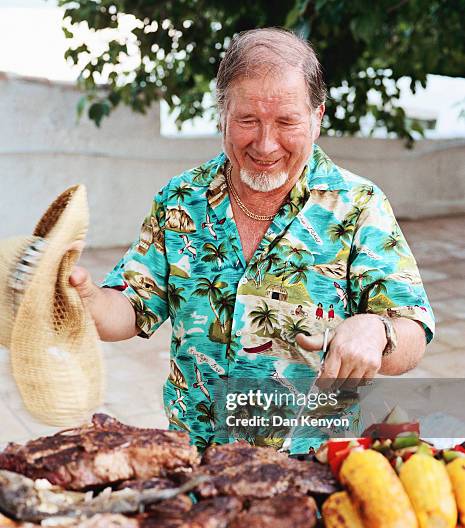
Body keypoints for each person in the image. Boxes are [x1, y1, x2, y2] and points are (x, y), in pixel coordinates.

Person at [70, 28, 434, 452]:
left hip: (313, 467)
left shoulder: (359, 206)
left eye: (286, 122)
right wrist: (85, 298)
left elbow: (412, 333)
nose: (265, 144)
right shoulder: (182, 199)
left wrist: (376, 329)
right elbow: (131, 308)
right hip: (198, 466)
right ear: (222, 114)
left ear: (317, 116)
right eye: (247, 120)